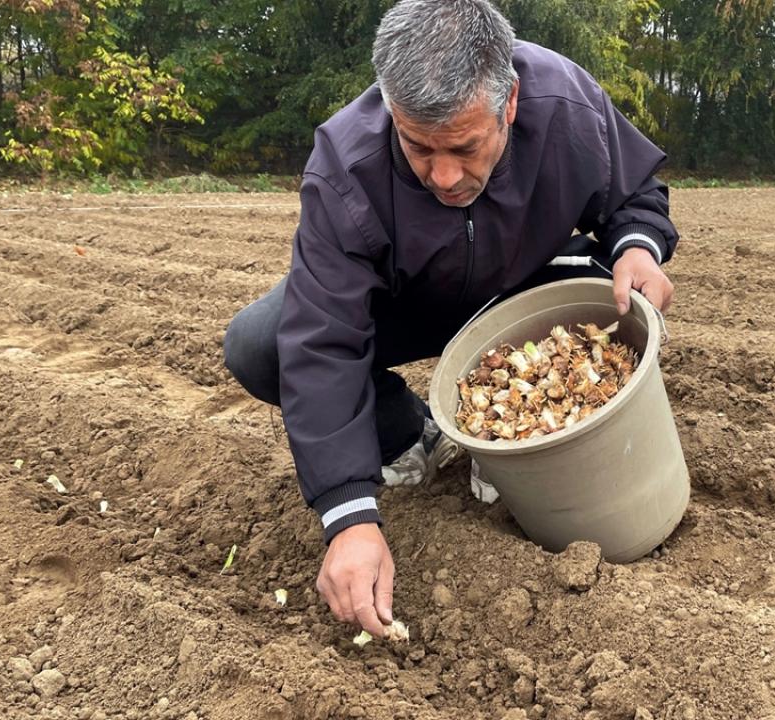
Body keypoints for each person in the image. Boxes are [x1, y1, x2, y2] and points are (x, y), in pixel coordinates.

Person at [221, 0, 678, 639]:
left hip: (529, 285)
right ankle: (415, 433)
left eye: (465, 147)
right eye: (417, 147)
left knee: (599, 285)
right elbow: (323, 339)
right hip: (414, 301)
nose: (443, 176)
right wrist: (348, 516)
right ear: (390, 108)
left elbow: (634, 193)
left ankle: (514, 443)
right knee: (260, 344)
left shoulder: (564, 102)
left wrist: (637, 247)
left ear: (509, 103)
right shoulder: (345, 163)